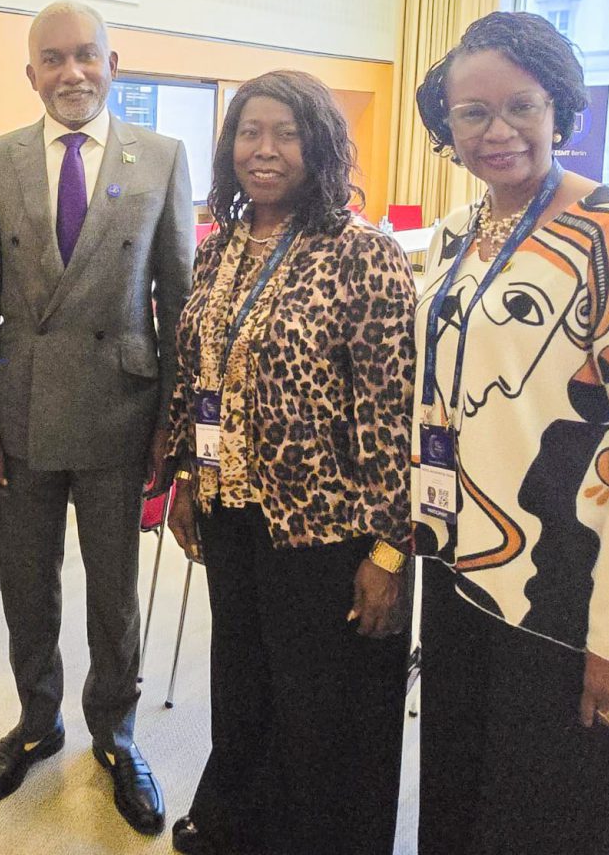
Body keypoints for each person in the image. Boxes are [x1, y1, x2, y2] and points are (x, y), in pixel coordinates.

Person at [411, 11, 609, 855]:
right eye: (472, 112)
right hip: (463, 568)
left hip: (570, 586)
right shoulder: (453, 235)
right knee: (458, 798)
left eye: (521, 105)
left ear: (559, 108)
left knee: (546, 815)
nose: (498, 131)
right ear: (447, 124)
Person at [162, 70, 417, 855]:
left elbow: (392, 418)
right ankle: (240, 820)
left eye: (286, 133)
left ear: (322, 147)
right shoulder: (218, 248)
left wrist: (390, 549)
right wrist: (186, 478)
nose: (263, 150)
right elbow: (196, 376)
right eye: (249, 132)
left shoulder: (364, 254)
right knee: (244, 678)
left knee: (320, 702)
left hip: (326, 527)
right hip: (231, 512)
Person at [0, 0, 194, 835]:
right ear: (31, 74)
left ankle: (116, 734)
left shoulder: (161, 157)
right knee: (28, 583)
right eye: (53, 59)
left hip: (121, 409)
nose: (72, 72)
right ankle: (36, 722)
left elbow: (179, 302)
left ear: (112, 64)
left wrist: (171, 424)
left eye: (86, 55)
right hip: (20, 409)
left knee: (114, 591)